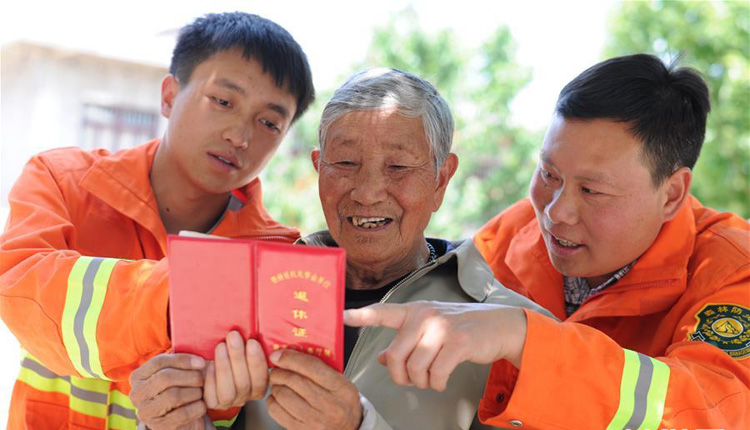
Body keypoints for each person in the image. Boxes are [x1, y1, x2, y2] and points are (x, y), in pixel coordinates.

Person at [128, 68, 554, 430]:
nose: (367, 193)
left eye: (398, 167)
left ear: (442, 179)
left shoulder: (513, 330)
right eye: (346, 163)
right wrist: (175, 419)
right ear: (319, 169)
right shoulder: (248, 291)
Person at [345, 54, 750, 429]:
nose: (557, 211)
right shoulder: (504, 242)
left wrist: (523, 338)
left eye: (591, 190)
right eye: (549, 174)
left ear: (672, 194)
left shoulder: (733, 272)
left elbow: (714, 411)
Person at [0, 12, 314, 429]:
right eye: (223, 101)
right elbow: (17, 291)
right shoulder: (61, 181)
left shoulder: (280, 260)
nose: (240, 137)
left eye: (269, 123)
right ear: (169, 96)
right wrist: (185, 291)